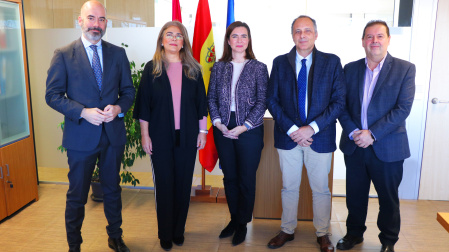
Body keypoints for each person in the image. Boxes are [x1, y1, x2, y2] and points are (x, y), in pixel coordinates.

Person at [45, 1, 135, 252]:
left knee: (113, 190)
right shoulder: (63, 54)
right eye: (92, 18)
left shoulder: (118, 54)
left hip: (111, 136)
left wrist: (118, 108)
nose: (97, 24)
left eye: (102, 19)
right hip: (80, 140)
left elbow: (128, 92)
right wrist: (82, 112)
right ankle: (74, 245)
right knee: (77, 196)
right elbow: (52, 95)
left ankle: (115, 237)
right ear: (80, 20)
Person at [266, 15, 346, 252]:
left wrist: (311, 128)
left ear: (316, 34)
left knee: (321, 188)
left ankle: (323, 233)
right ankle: (287, 230)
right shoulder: (280, 62)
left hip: (319, 137)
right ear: (292, 35)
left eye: (307, 31)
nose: (302, 35)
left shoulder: (332, 62)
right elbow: (272, 99)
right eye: (298, 31)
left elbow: (339, 101)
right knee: (288, 187)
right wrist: (293, 130)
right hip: (287, 137)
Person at [337, 20, 416, 252]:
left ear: (388, 40)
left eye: (380, 36)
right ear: (363, 41)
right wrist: (354, 132)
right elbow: (340, 105)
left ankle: (388, 241)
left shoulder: (405, 69)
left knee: (388, 200)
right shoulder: (349, 69)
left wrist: (372, 134)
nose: (374, 41)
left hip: (388, 147)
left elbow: (403, 108)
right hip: (355, 146)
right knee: (355, 196)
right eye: (369, 37)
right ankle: (354, 235)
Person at [133, 21, 208, 251]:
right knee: (164, 185)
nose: (174, 39)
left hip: (187, 137)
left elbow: (200, 105)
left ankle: (178, 231)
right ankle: (165, 233)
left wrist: (203, 131)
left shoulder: (193, 69)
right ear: (162, 40)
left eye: (178, 35)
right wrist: (145, 136)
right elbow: (144, 106)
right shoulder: (151, 68)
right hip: (160, 137)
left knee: (183, 185)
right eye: (169, 35)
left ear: (184, 41)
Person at [207, 21, 268, 246]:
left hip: (249, 129)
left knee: (246, 179)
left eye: (244, 36)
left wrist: (245, 126)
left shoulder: (259, 67)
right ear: (229, 40)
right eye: (235, 36)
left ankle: (242, 223)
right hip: (223, 128)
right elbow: (211, 98)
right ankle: (233, 219)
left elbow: (263, 101)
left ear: (249, 40)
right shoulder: (219, 67)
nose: (240, 40)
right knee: (230, 177)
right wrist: (219, 123)